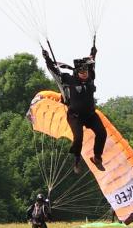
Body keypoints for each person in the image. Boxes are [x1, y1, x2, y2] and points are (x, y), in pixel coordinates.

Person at [42, 39, 105, 173]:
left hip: (90, 115)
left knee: (102, 133)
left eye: (86, 72)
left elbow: (92, 62)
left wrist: (93, 52)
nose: (85, 74)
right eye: (82, 72)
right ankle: (77, 160)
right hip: (75, 116)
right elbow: (54, 71)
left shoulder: (90, 76)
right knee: (78, 138)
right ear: (77, 72)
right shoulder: (69, 80)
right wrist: (47, 58)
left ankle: (97, 158)